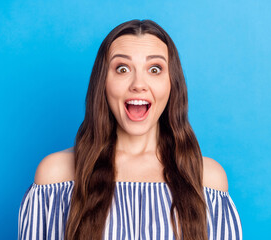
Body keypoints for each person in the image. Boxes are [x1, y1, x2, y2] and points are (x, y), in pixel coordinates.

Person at [18, 19, 242, 240]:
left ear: (172, 84)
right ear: (102, 84)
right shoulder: (56, 176)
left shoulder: (206, 180)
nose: (138, 83)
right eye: (122, 68)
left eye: (154, 69)